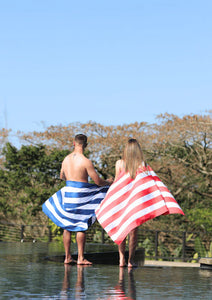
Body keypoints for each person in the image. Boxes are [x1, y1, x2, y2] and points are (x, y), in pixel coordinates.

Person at [95, 138, 184, 268]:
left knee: (122, 229)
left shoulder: (119, 163)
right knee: (133, 232)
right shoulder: (142, 165)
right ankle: (130, 260)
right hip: (134, 203)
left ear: (126, 150)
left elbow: (116, 184)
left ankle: (121, 260)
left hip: (122, 202)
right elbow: (148, 183)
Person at [42, 134, 112, 265]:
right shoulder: (86, 161)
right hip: (81, 195)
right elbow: (97, 181)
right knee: (81, 226)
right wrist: (108, 182)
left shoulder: (66, 159)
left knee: (67, 226)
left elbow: (62, 176)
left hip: (68, 193)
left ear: (74, 143)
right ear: (85, 145)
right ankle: (80, 257)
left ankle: (67, 257)